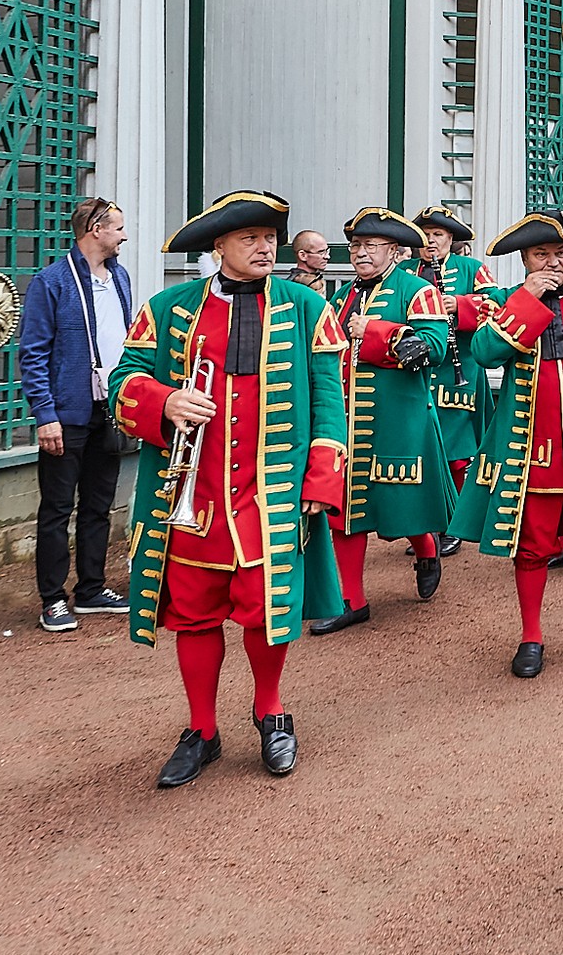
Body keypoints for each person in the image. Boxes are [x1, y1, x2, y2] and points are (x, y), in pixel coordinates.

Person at [110, 191, 347, 787]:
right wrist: (164, 400)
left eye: (271, 236)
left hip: (273, 492)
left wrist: (322, 475)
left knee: (267, 610)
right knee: (192, 615)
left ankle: (270, 711)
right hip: (191, 491)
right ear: (219, 247)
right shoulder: (165, 308)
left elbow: (328, 397)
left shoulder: (306, 306)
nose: (266, 246)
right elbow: (122, 381)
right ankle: (202, 729)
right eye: (250, 238)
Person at [446, 212, 563, 677]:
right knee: (531, 547)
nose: (553, 263)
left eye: (560, 253)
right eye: (541, 255)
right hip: (534, 451)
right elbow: (486, 353)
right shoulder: (506, 300)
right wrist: (527, 301)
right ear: (526, 259)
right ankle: (531, 634)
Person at [309, 209, 454, 635]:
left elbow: (432, 349)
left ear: (394, 250)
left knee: (400, 505)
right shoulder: (340, 298)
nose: (360, 253)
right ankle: (350, 600)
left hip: (399, 417)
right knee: (345, 509)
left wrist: (375, 331)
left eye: (370, 246)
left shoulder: (418, 291)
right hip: (346, 419)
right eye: (355, 246)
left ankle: (427, 549)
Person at [18, 196, 133, 633]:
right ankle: (52, 598)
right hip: (66, 412)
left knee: (100, 505)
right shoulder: (51, 282)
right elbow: (32, 354)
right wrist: (44, 414)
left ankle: (90, 589)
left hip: (108, 407)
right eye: (117, 227)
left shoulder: (119, 276)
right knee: (57, 507)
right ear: (95, 230)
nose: (123, 235)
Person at [409, 205, 494, 555]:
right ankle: (428, 524)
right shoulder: (405, 272)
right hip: (418, 371)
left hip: (460, 370)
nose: (431, 242)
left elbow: (494, 309)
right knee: (421, 448)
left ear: (451, 240)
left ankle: (454, 522)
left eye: (439, 235)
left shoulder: (471, 269)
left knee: (455, 450)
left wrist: (458, 306)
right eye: (426, 236)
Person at [287, 230, 336, 299]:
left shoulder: (316, 279)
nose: (327, 257)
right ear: (303, 255)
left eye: (327, 251)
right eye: (321, 252)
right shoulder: (292, 287)